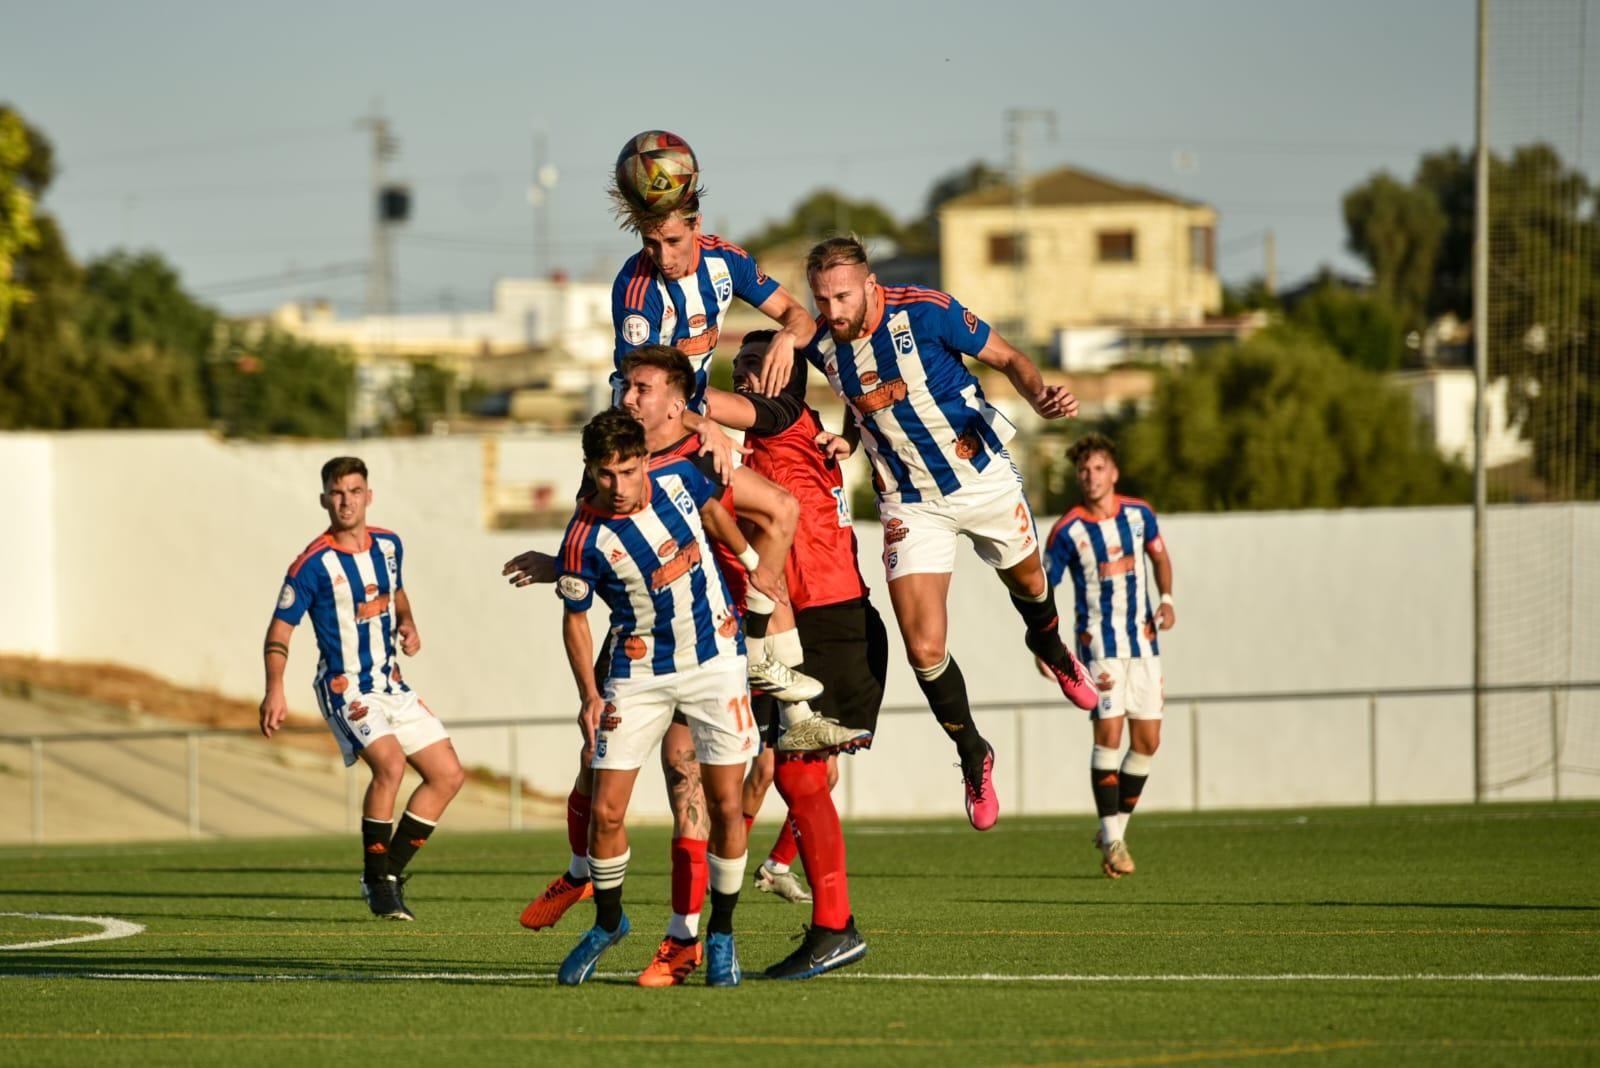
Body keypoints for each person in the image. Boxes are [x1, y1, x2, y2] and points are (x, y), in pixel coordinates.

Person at [799, 235, 1098, 832]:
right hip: (909, 502)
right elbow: (860, 403)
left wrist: (1039, 397)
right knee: (924, 648)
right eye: (822, 299)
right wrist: (848, 439)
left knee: (1032, 588)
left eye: (842, 296)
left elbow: (1010, 358)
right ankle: (972, 753)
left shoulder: (926, 310)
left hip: (980, 476)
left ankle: (1051, 649)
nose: (832, 311)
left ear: (869, 285)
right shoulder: (822, 342)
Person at [552, 407, 779, 988]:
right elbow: (575, 621)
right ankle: (609, 922)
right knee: (606, 809)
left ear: (644, 461)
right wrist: (588, 695)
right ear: (591, 471)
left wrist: (752, 563)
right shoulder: (583, 536)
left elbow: (711, 510)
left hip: (715, 662)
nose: (619, 486)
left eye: (628, 471)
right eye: (606, 475)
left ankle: (721, 934)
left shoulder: (679, 478)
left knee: (726, 803)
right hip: (638, 674)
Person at [695, 327, 889, 977]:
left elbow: (718, 407)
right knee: (800, 773)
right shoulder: (787, 434)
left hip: (830, 618)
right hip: (819, 619)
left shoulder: (781, 416)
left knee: (800, 773)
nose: (746, 373)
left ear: (787, 373)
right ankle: (822, 917)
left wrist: (662, 392)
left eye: (757, 363)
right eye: (740, 364)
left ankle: (834, 925)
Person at [259, 456, 465, 920]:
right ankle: (378, 884)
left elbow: (397, 591)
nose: (346, 500)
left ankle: (386, 870)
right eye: (337, 492)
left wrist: (409, 623)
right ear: (324, 499)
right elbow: (279, 630)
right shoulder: (310, 565)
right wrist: (275, 688)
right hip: (345, 687)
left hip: (391, 684)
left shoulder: (390, 546)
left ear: (368, 496)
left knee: (449, 776)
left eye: (354, 491)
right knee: (390, 766)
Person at [1043, 433, 1175, 879]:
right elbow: (1042, 588)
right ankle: (1113, 840)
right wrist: (1046, 644)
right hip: (1098, 646)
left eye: (1099, 467)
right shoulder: (1069, 531)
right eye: (1084, 470)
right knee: (1109, 736)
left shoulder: (1140, 515)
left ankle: (1114, 828)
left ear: (1113, 473)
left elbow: (1160, 557)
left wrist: (1168, 598)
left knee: (1148, 743)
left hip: (1144, 643)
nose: (1091, 476)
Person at [608, 165, 813, 409]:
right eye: (651, 243)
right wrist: (704, 425)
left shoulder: (727, 261)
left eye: (674, 241)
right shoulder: (635, 287)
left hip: (689, 413)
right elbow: (644, 391)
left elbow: (800, 317)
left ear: (696, 225)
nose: (664, 258)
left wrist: (787, 337)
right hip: (642, 424)